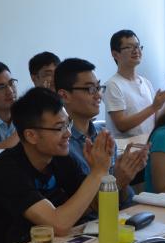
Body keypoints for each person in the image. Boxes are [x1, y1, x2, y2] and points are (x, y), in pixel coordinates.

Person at [0, 88, 114, 243]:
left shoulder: (60, 157)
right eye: (59, 128)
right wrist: (97, 173)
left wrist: (104, 172)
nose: (68, 133)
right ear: (31, 135)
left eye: (68, 124)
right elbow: (59, 224)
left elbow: (93, 205)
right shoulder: (7, 170)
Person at [54, 58, 147, 206]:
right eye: (90, 89)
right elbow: (82, 209)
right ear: (64, 95)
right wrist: (118, 181)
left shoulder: (103, 135)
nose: (98, 95)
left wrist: (125, 176)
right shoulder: (61, 144)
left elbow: (122, 200)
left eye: (98, 88)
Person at [103, 29, 165, 139]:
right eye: (129, 47)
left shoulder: (146, 82)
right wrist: (153, 107)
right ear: (115, 54)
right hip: (126, 148)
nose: (136, 50)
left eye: (138, 46)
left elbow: (156, 120)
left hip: (149, 145)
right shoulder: (112, 85)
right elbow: (121, 125)